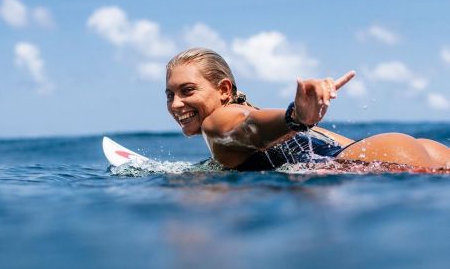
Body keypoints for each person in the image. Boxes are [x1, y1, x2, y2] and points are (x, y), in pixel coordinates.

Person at [165, 48, 450, 171]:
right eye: (170, 95)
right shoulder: (264, 119)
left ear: (225, 90)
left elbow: (248, 126)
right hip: (409, 148)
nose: (176, 104)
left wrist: (295, 117)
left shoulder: (217, 122)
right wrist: (298, 121)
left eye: (187, 90)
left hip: (379, 159)